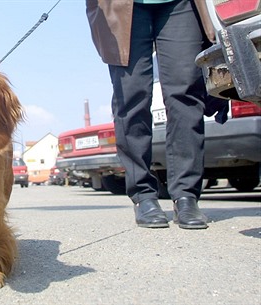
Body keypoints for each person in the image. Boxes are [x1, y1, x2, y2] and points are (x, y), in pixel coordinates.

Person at [86, 0, 217, 229]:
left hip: (180, 5)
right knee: (132, 97)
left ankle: (186, 196)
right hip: (122, 6)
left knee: (186, 94)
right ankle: (143, 196)